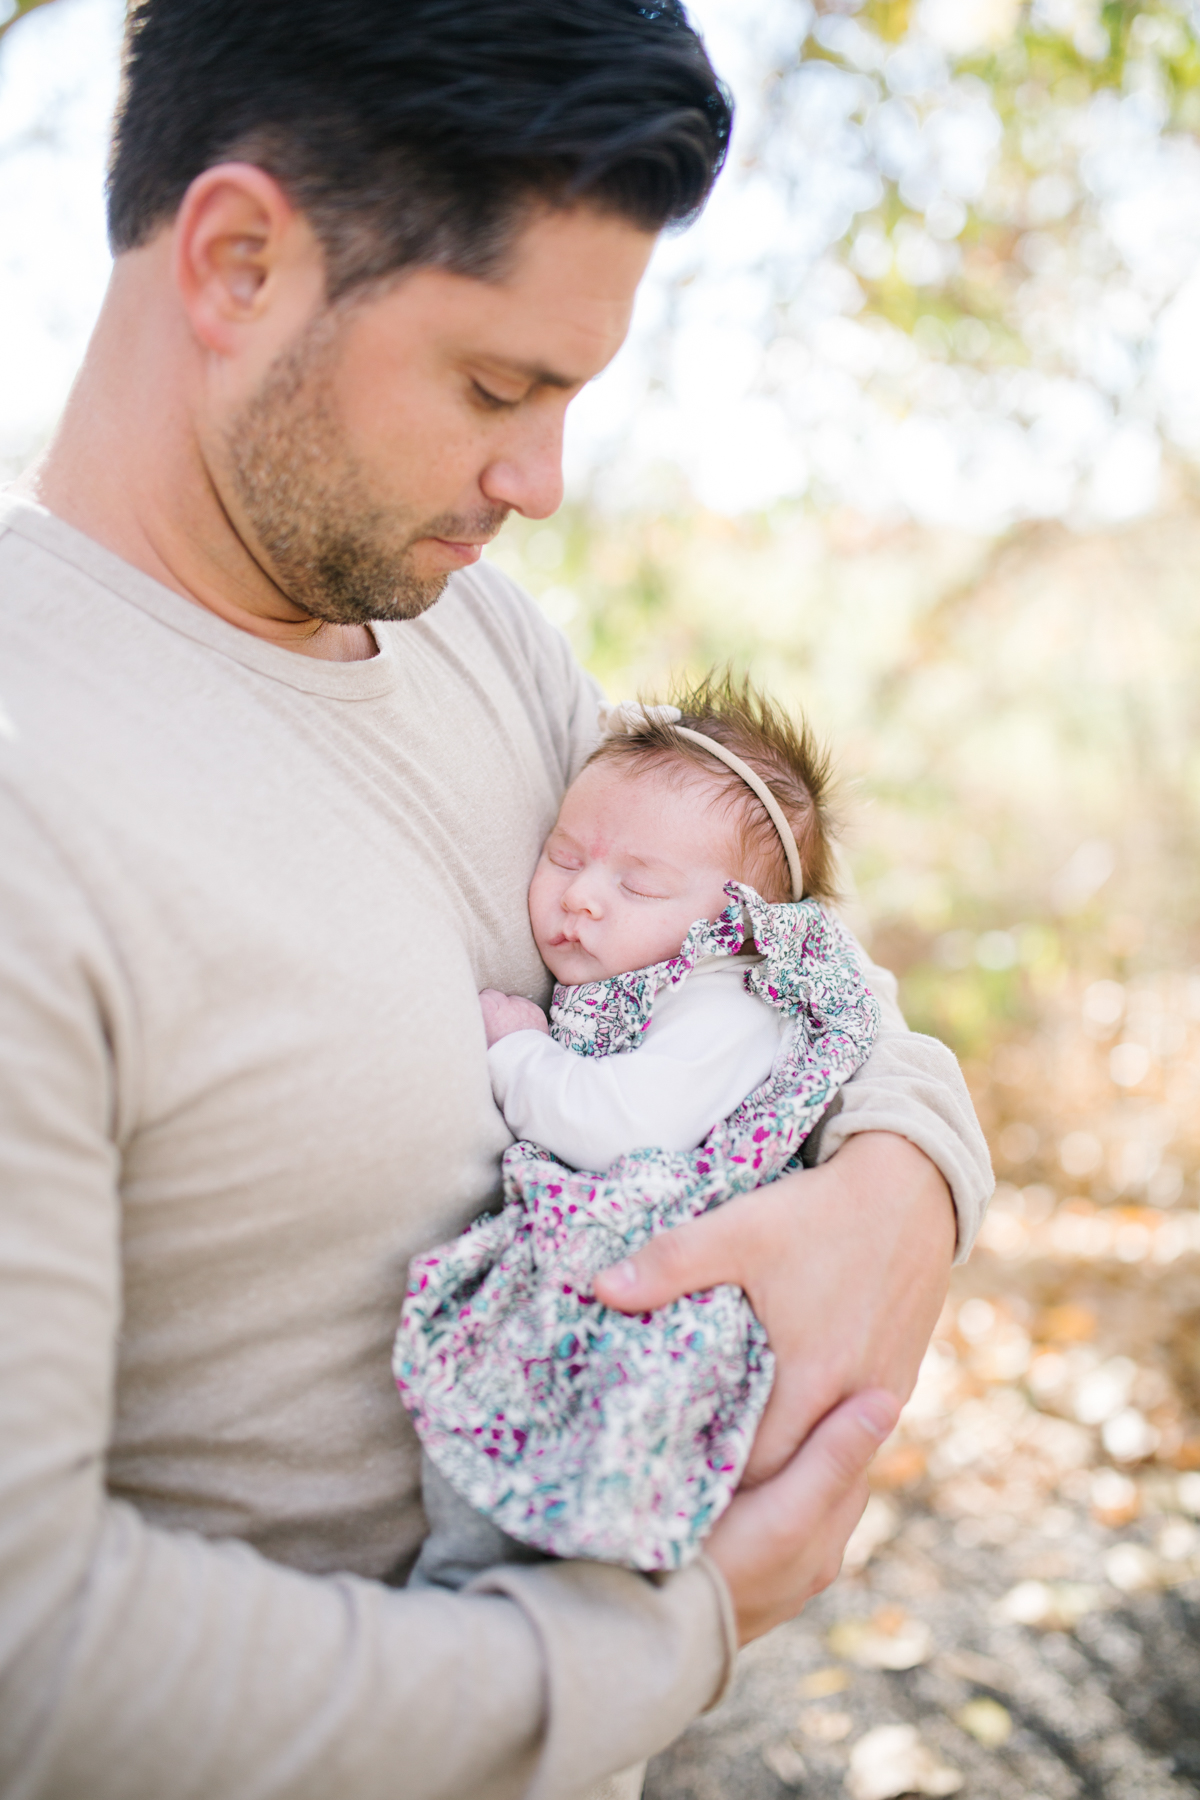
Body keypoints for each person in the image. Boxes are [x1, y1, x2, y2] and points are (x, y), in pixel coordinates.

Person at [0, 4, 992, 1798]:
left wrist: (907, 1189)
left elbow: (788, 957)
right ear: (238, 260)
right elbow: (28, 1658)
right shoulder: (29, 796)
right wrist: (650, 1647)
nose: (538, 484)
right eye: (496, 388)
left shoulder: (477, 638)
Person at [398, 675, 886, 1586]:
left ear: (742, 923)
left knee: (540, 1491)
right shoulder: (654, 974)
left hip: (650, 1307)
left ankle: (479, 1613)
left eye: (639, 883)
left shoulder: (729, 1002)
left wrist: (521, 1055)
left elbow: (629, 1128)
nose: (581, 896)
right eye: (563, 855)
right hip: (602, 1291)